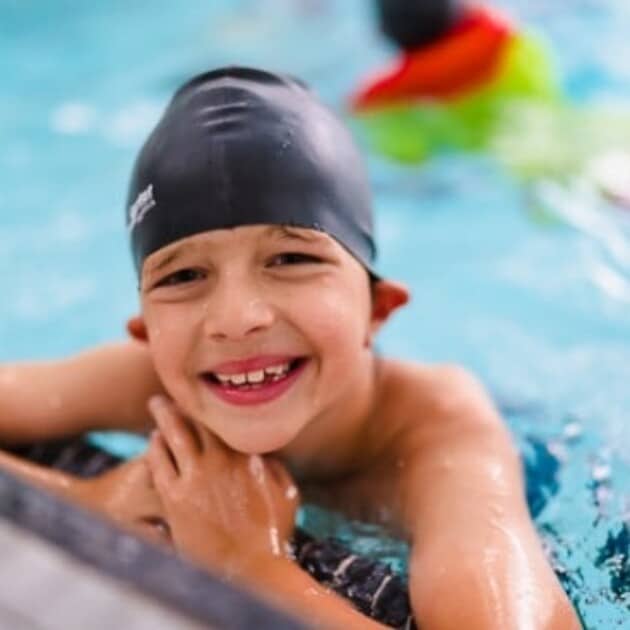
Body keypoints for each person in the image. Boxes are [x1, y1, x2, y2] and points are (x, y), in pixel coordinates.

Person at [0, 66, 580, 629]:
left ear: (377, 311)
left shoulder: (440, 436)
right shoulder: (154, 378)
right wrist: (89, 502)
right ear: (147, 335)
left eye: (292, 259)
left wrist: (250, 566)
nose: (236, 321)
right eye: (182, 277)